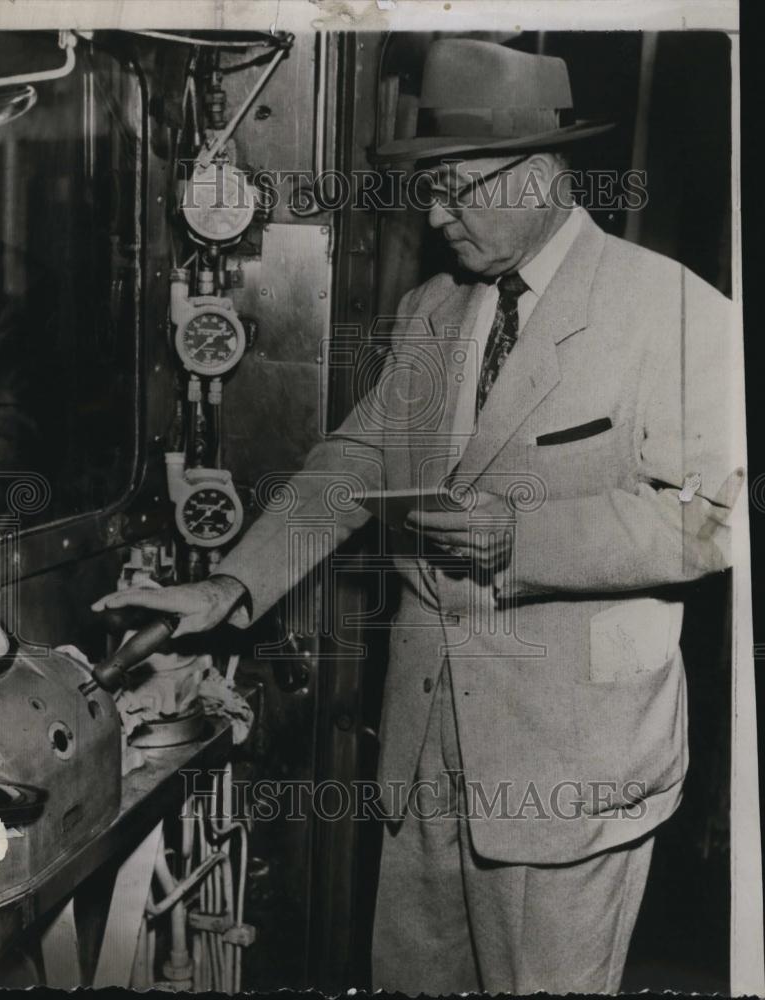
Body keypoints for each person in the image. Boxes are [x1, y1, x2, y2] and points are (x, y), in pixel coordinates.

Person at [93, 39, 743, 994]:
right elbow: (352, 464)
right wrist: (232, 581)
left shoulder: (674, 313)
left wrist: (527, 541)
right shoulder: (434, 311)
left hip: (568, 761)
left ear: (536, 176)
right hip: (424, 752)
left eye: (456, 190)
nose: (436, 218)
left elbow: (718, 521)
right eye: (428, 192)